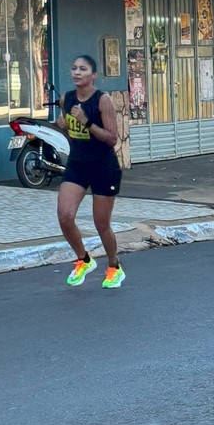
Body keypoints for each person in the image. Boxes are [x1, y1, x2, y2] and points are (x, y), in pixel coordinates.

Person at [55, 54, 125, 289]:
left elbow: (112, 139)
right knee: (65, 216)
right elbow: (72, 135)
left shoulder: (102, 100)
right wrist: (65, 126)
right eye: (74, 68)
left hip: (103, 167)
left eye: (83, 69)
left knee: (101, 223)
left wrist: (86, 121)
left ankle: (114, 266)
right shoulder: (66, 98)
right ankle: (83, 260)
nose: (76, 72)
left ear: (93, 75)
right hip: (77, 164)